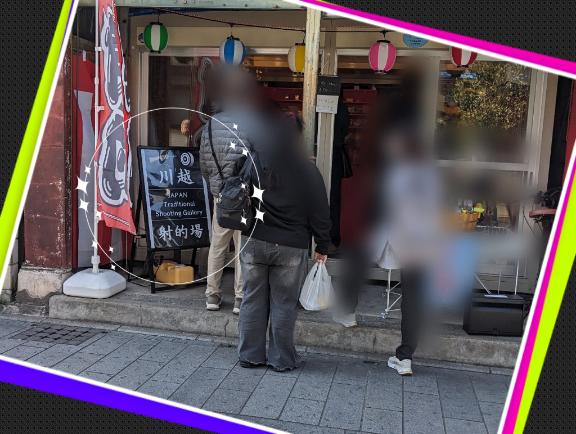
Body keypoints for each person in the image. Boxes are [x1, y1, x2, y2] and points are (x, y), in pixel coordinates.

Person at [238, 111, 331, 372]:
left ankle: (250, 355)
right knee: (284, 303)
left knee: (252, 298)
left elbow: (237, 191)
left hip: (254, 239)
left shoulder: (255, 160)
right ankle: (281, 359)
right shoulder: (307, 170)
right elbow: (320, 212)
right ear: (297, 137)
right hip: (291, 245)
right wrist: (323, 244)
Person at [196, 66, 262, 314]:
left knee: (218, 246)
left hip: (221, 196)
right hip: (246, 197)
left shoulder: (211, 126)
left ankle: (212, 295)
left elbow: (204, 165)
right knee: (242, 247)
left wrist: (217, 188)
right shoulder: (253, 123)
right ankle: (239, 298)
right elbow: (260, 161)